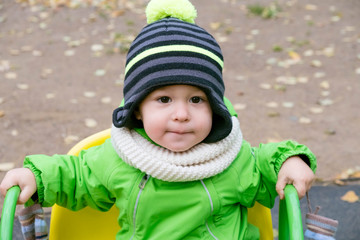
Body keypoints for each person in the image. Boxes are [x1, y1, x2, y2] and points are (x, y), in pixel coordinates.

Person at [0, 0, 316, 239]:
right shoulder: (119, 157)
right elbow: (75, 175)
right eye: (163, 99)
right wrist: (36, 177)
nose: (181, 114)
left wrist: (290, 160)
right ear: (138, 108)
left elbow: (266, 162)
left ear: (214, 107)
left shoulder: (231, 158)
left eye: (197, 99)